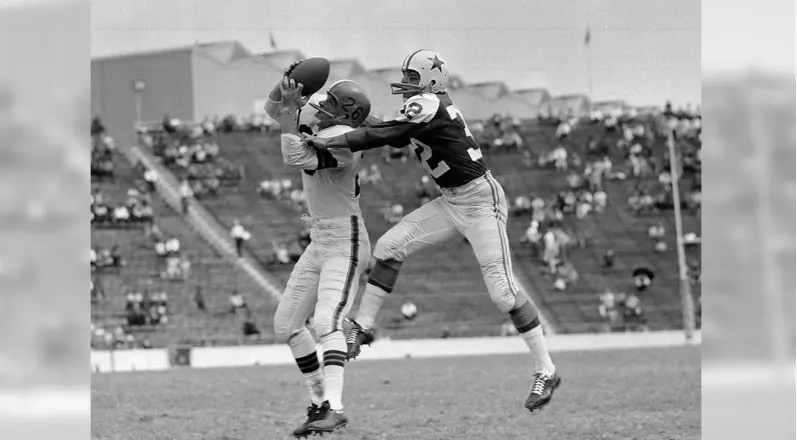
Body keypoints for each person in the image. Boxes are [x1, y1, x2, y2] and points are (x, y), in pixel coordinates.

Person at [304, 49, 560, 413]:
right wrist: (361, 122)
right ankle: (361, 326)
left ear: (429, 78)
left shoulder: (427, 102)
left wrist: (331, 141)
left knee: (503, 294)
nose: (406, 84)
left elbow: (389, 134)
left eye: (411, 77)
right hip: (451, 199)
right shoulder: (425, 104)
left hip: (480, 201)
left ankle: (546, 370)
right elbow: (394, 134)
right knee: (390, 246)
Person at [266, 64, 372, 437]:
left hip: (346, 239)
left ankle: (335, 407)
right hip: (321, 239)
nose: (320, 107)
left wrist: (292, 112)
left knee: (325, 323)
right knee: (287, 325)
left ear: (347, 113)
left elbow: (294, 156)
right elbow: (273, 113)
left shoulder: (346, 138)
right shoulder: (329, 125)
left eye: (329, 104)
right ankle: (318, 402)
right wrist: (285, 93)